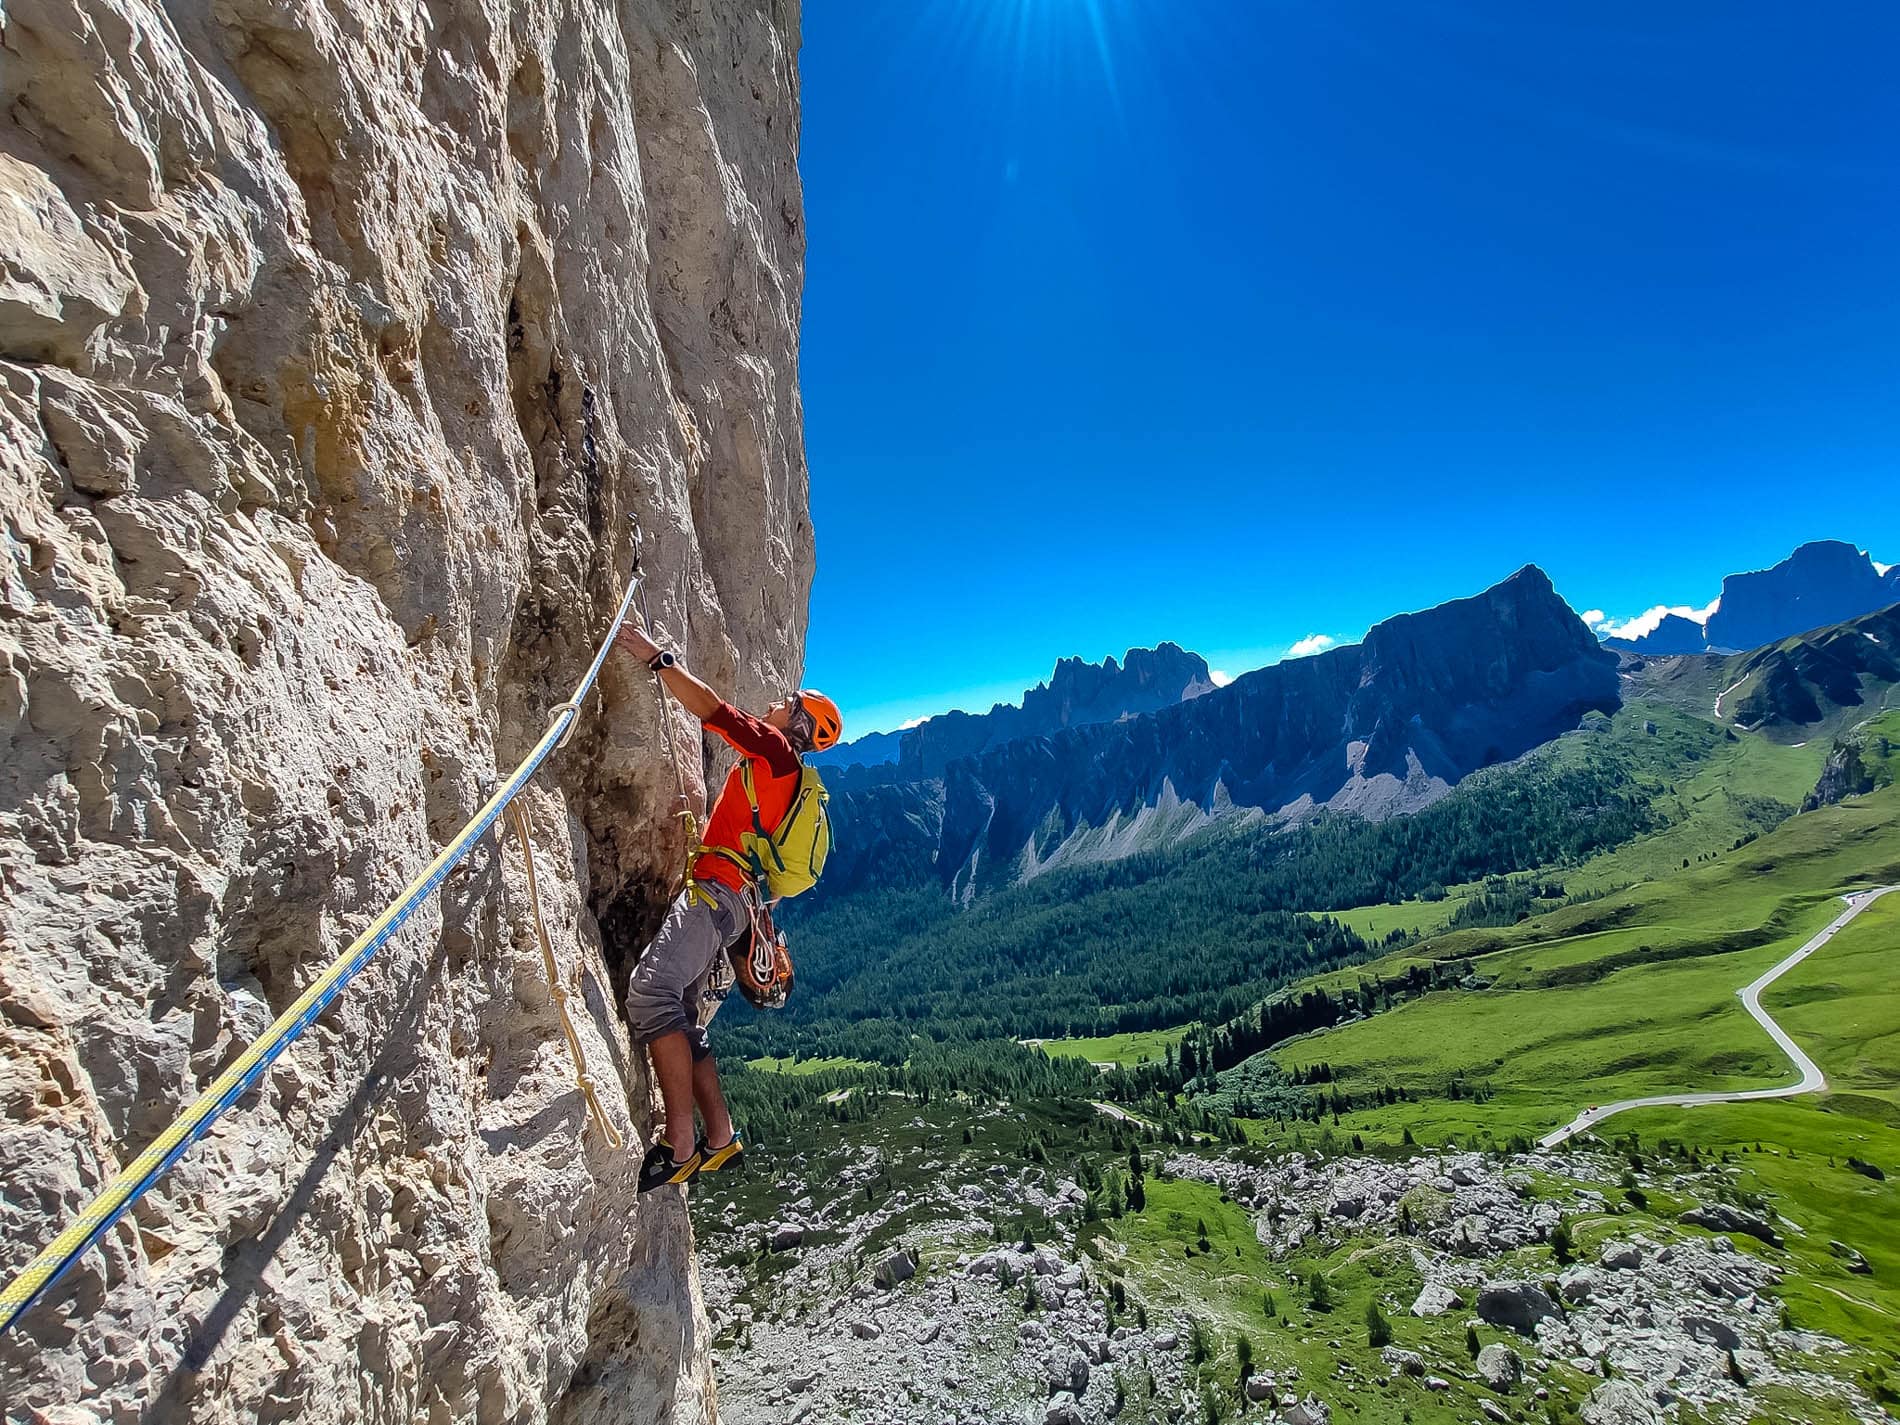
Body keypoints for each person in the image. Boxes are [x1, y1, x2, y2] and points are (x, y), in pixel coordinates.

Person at [614, 619, 841, 1192]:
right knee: (683, 1016)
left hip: (716, 890)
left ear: (796, 724)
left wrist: (657, 658)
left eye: (790, 702)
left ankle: (680, 1144)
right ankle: (721, 1137)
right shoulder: (789, 776)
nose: (777, 699)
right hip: (737, 900)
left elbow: (712, 709)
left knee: (652, 993)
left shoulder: (772, 752)